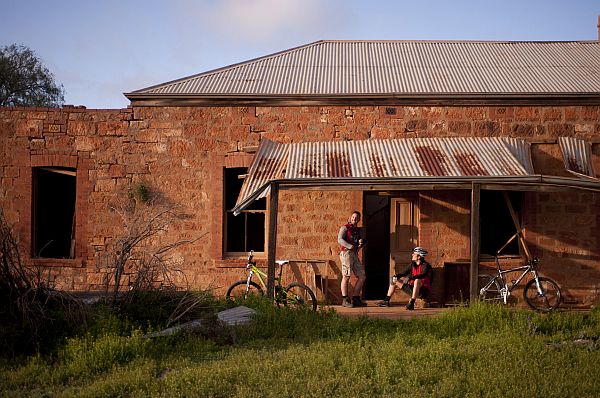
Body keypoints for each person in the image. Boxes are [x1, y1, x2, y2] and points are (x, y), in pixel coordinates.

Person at [338, 210, 366, 308]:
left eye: (356, 218)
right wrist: (350, 246)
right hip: (346, 253)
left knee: (362, 276)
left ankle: (355, 298)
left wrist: (360, 244)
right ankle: (345, 299)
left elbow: (358, 245)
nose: (354, 219)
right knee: (346, 276)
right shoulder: (345, 228)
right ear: (350, 218)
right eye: (353, 217)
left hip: (354, 254)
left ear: (358, 220)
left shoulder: (357, 230)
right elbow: (340, 239)